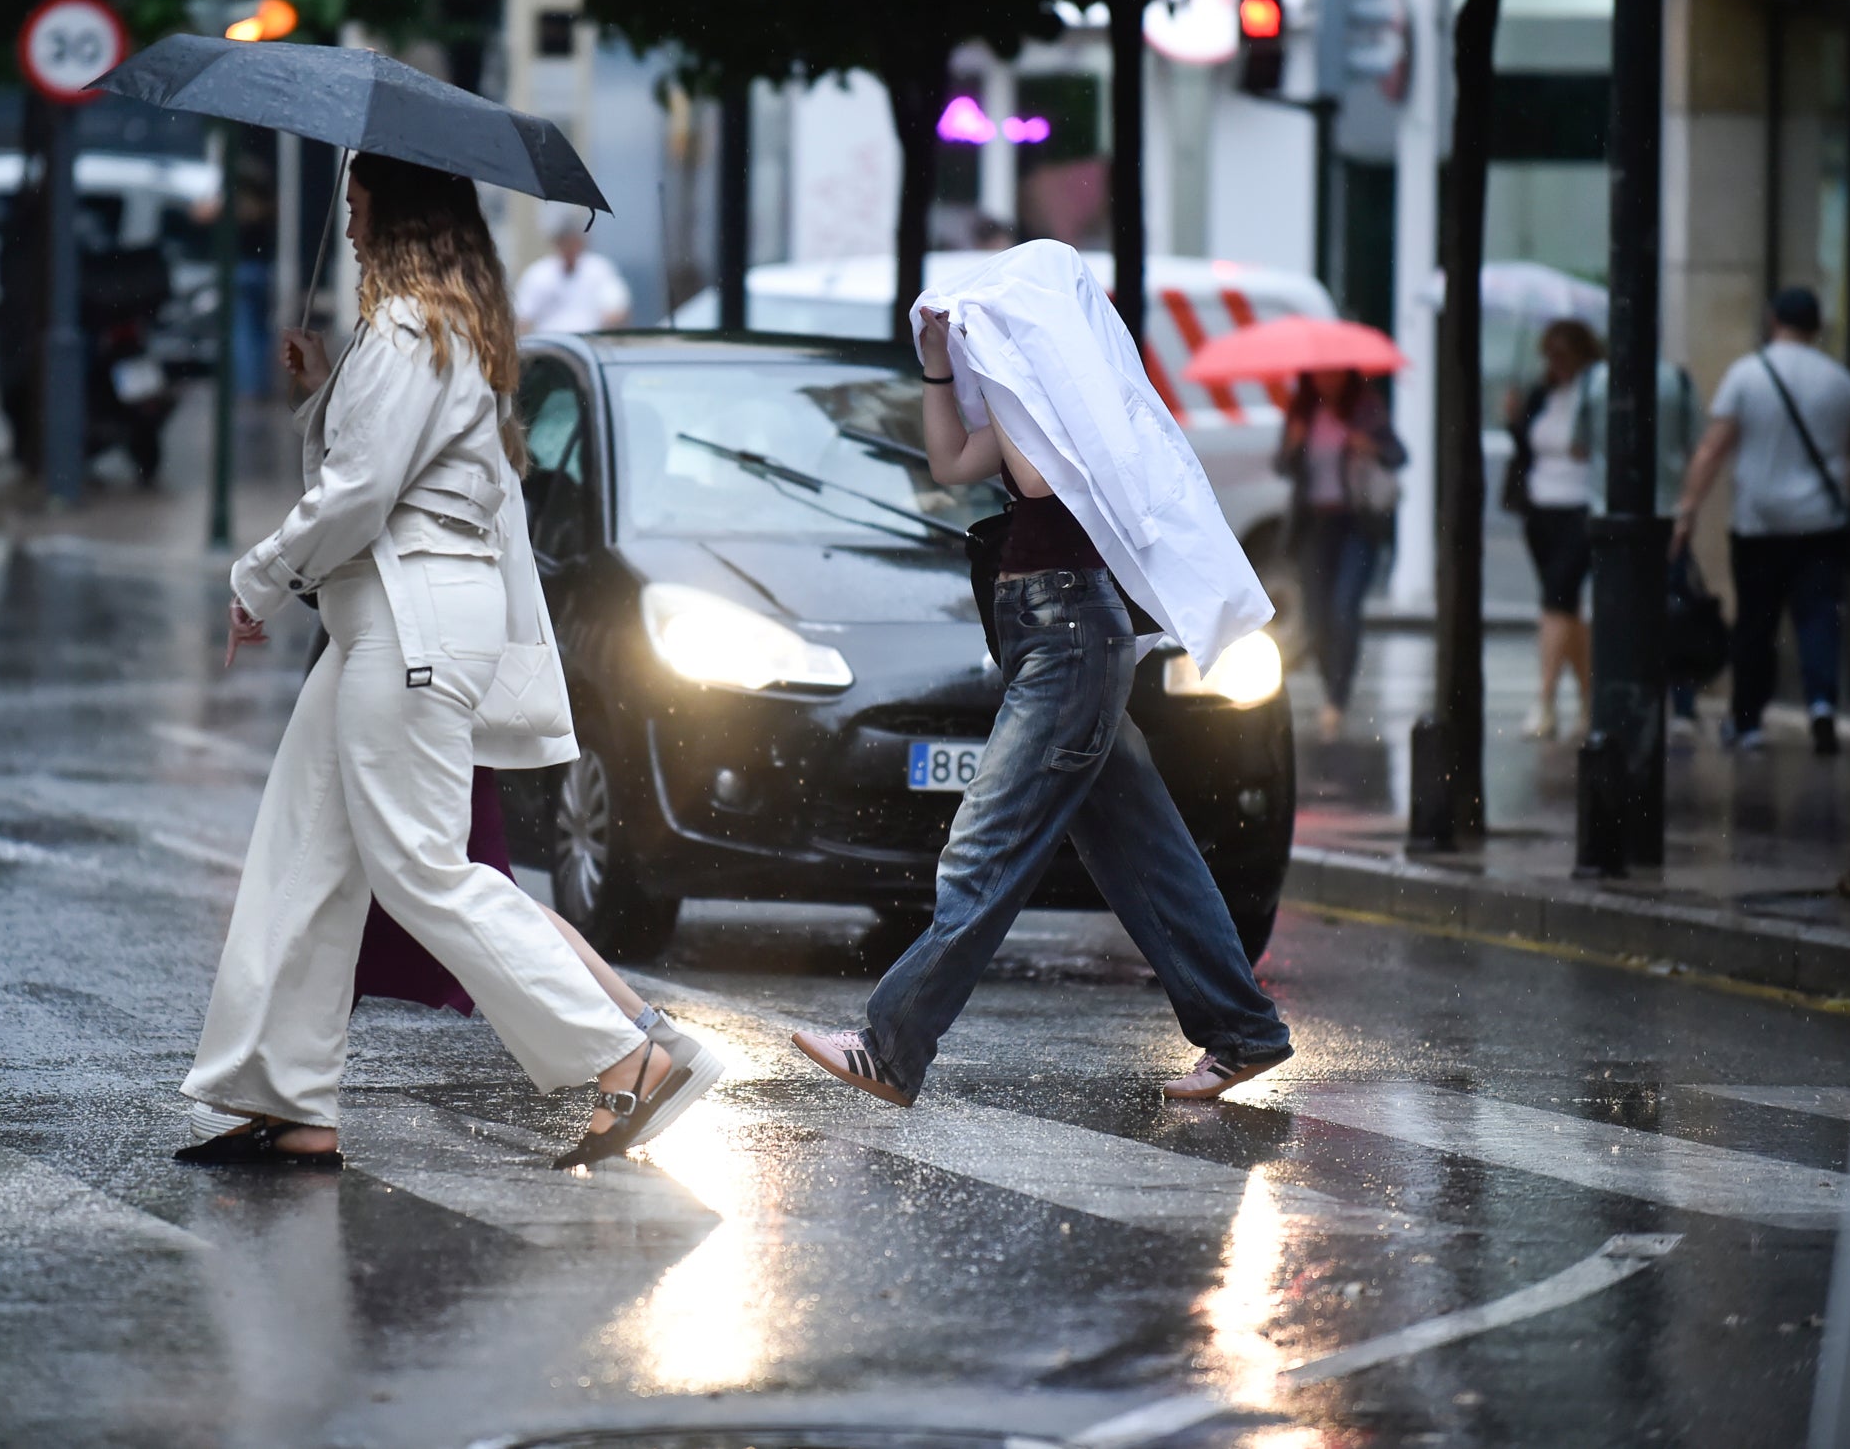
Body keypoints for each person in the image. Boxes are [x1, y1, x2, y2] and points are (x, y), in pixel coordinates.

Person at [175, 153, 720, 1170]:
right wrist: (324, 389)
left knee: (423, 868)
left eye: (354, 199)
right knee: (308, 845)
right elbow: (381, 470)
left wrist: (254, 576)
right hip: (402, 611)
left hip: (406, 615)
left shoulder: (408, 327)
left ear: (392, 208)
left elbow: (359, 495)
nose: (345, 216)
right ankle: (288, 1097)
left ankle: (623, 1057)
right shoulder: (445, 327)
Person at [790, 241, 1293, 1107]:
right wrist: (942, 366)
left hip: (1069, 640)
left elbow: (1032, 467)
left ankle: (890, 1044)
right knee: (1142, 848)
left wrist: (1003, 354)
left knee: (986, 843)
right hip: (1047, 637)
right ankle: (1242, 1029)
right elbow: (950, 466)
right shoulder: (1041, 403)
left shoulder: (1077, 406)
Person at [1673, 286, 1850, 755]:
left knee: (1756, 623)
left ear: (1772, 321)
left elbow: (1713, 448)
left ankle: (1748, 723)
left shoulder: (1747, 375)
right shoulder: (1837, 379)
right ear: (1817, 327)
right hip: (1821, 524)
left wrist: (1688, 508)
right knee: (1818, 619)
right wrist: (1842, 478)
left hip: (1759, 523)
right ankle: (1823, 704)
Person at [1273, 368, 1405, 742]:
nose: (1326, 381)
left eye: (1333, 376)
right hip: (1316, 525)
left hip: (1356, 524)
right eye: (1319, 376)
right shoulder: (1303, 413)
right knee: (1316, 617)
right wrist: (1293, 446)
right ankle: (1331, 684)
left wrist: (1371, 446)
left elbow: (1399, 455)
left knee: (1345, 608)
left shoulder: (1367, 410)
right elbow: (1282, 466)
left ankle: (1337, 697)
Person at [1580, 355, 1704, 736]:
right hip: (1667, 512)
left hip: (1607, 511)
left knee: (1612, 611)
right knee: (1674, 608)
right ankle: (1681, 704)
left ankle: (1613, 699)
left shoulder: (1594, 380)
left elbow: (1577, 443)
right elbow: (1696, 444)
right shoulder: (1678, 382)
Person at [1507, 318, 1604, 740]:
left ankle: (1543, 701)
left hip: (1581, 506)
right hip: (1541, 509)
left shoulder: (1597, 394)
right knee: (1566, 611)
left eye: (1565, 354)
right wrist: (1512, 417)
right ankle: (1588, 697)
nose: (1557, 363)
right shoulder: (1541, 395)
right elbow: (1525, 445)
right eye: (1552, 355)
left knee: (1555, 601)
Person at [513, 206, 632, 334]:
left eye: (572, 240)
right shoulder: (538, 274)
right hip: (551, 345)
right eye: (564, 241)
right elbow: (522, 318)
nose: (569, 247)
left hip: (591, 343)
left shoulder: (599, 269)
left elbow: (616, 309)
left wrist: (609, 326)